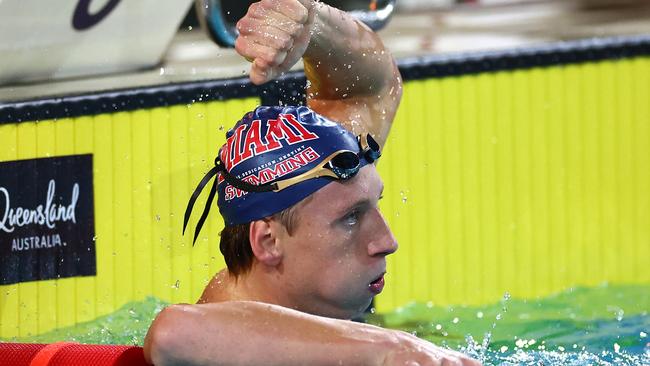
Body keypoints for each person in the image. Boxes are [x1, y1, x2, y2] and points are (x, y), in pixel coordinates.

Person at [144, 1, 481, 365]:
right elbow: (173, 333)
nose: (387, 242)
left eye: (374, 204)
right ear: (268, 241)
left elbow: (369, 88)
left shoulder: (333, 179)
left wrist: (315, 25)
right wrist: (390, 350)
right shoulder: (219, 343)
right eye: (350, 218)